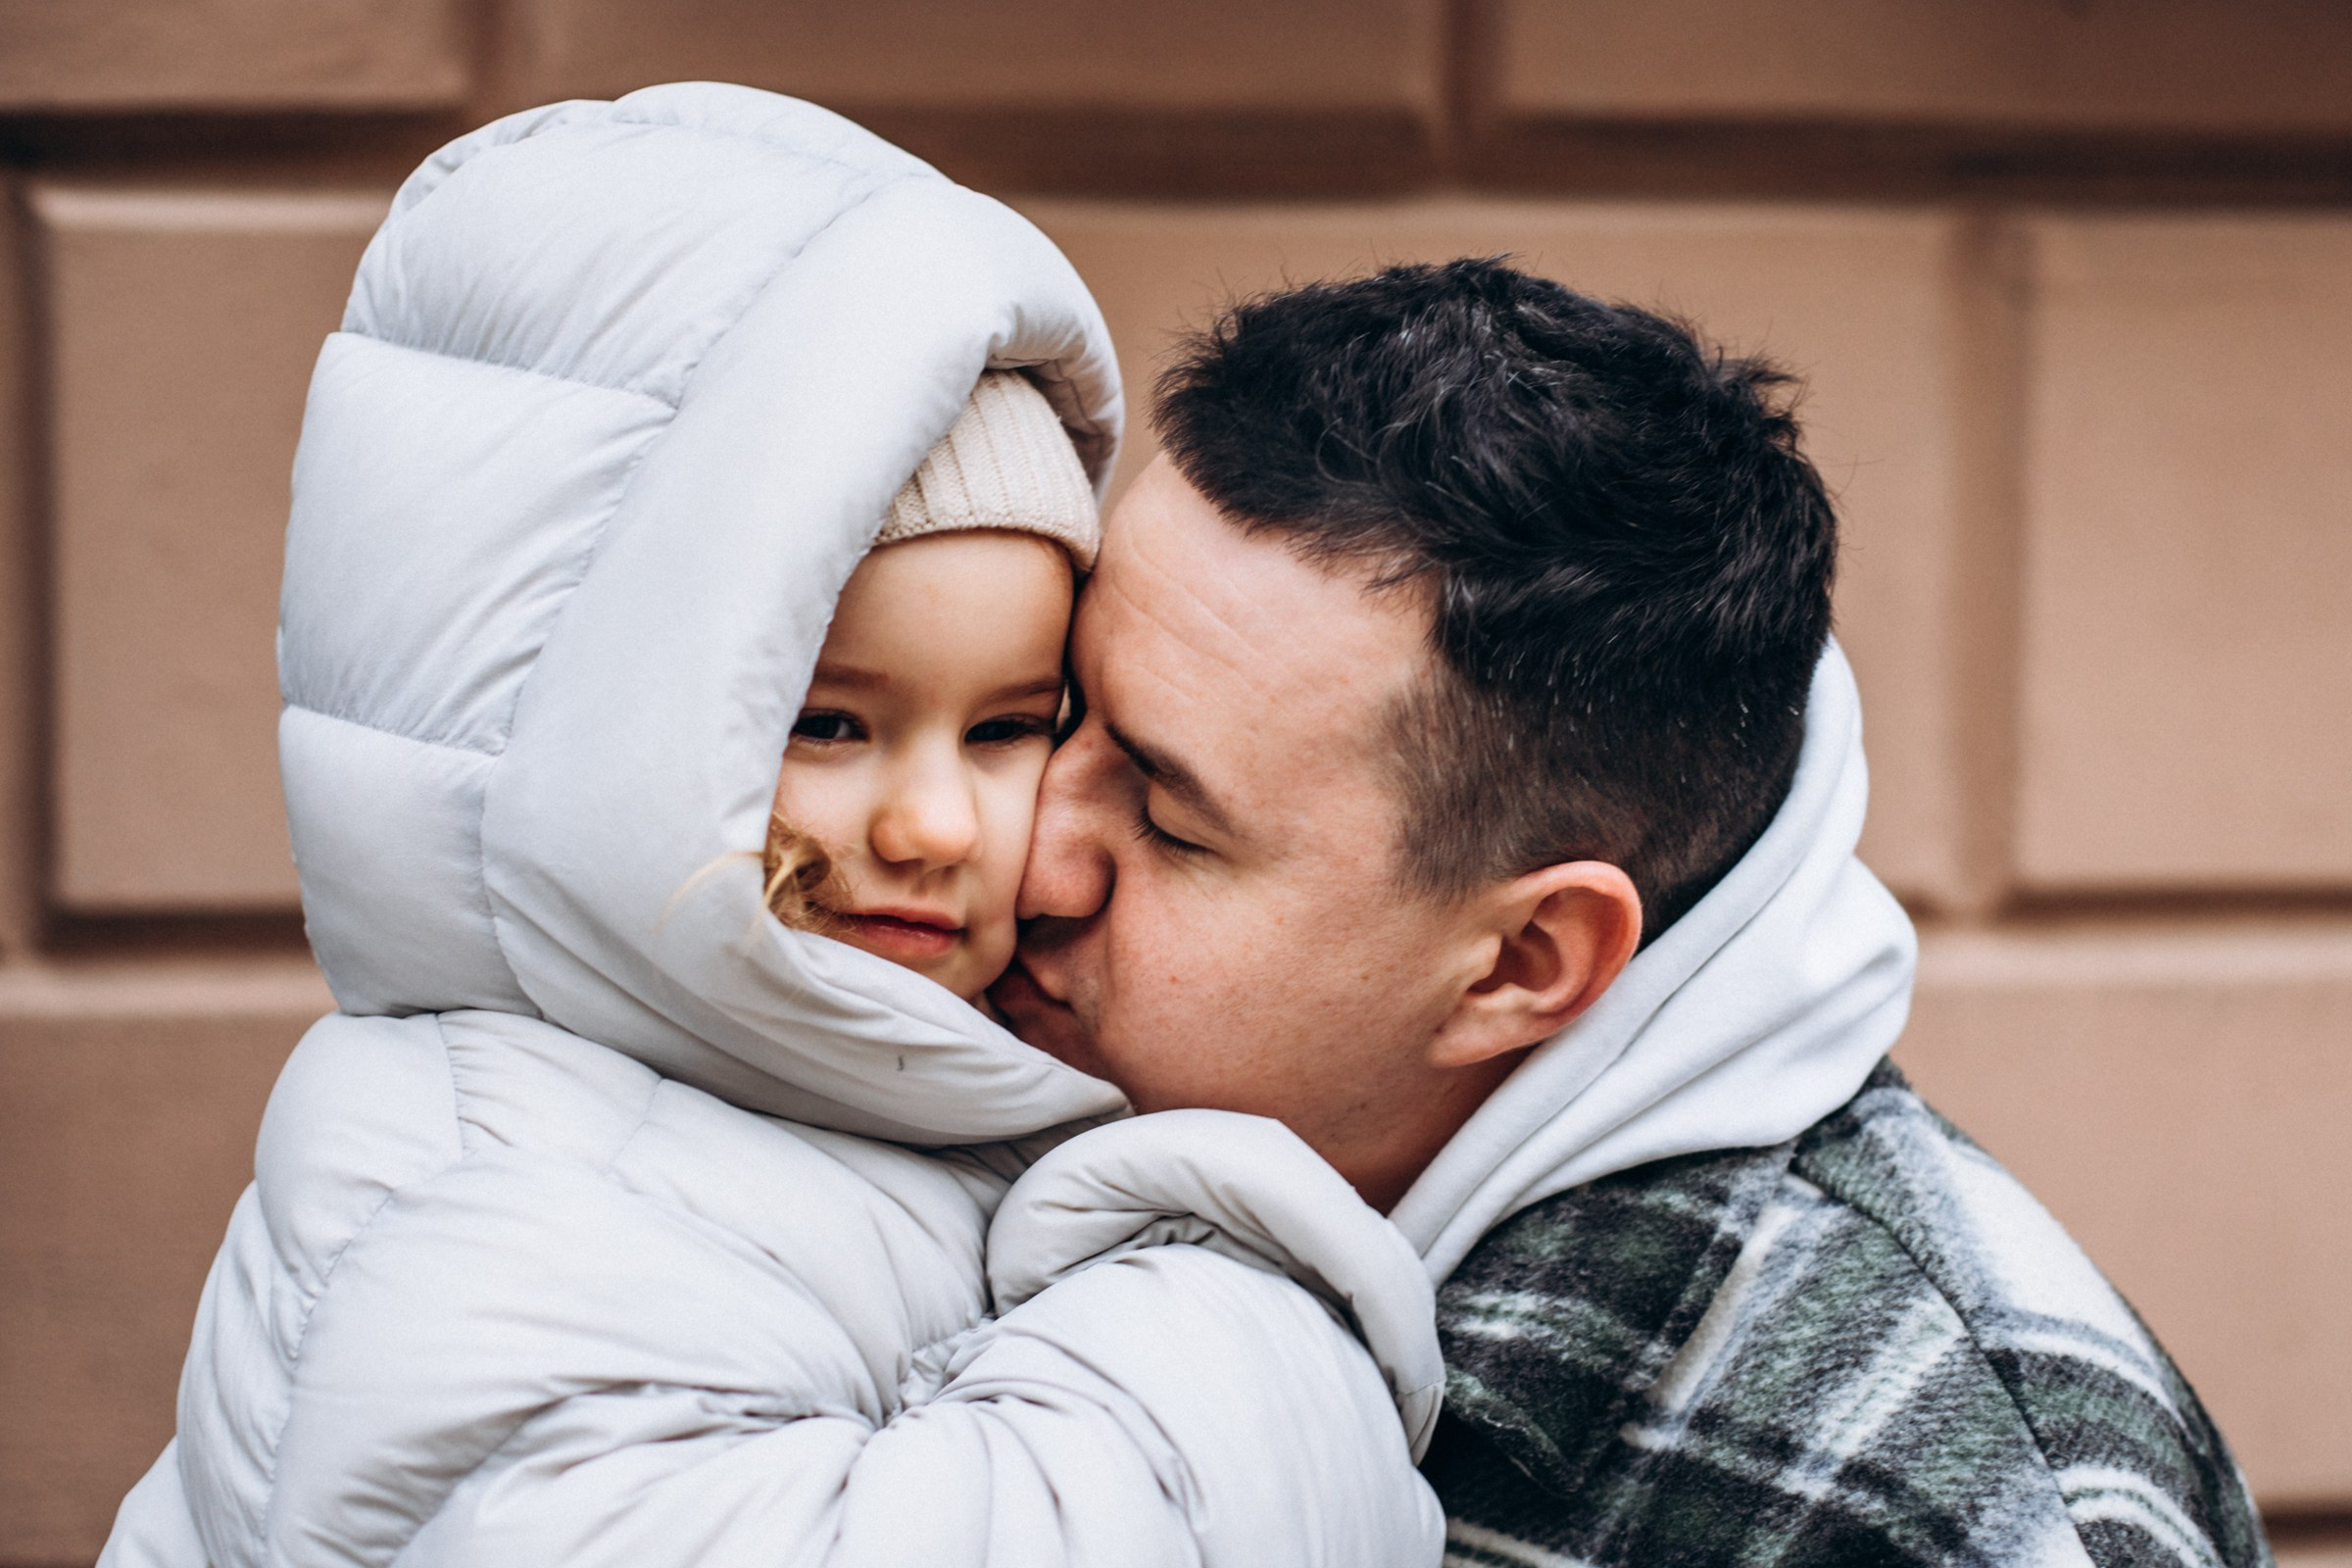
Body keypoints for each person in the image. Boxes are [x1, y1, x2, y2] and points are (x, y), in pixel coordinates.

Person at [97, 84, 1445, 1568]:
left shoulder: (829, 1098)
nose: (938, 824)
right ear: (601, 738)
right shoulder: (492, 1170)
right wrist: (1223, 1273)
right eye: (826, 725)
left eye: (1010, 727)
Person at [994, 259, 2272, 1567]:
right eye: (1048, 710)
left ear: (1519, 965)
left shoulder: (1928, 1507)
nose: (1026, 854)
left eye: (1168, 820)